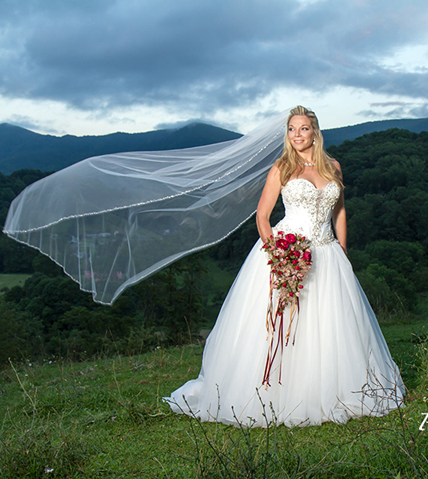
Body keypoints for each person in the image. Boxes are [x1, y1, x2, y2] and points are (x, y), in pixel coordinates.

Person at [164, 106, 405, 427]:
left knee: (332, 324)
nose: (297, 135)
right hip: (288, 251)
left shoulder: (334, 167)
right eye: (292, 129)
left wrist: (343, 253)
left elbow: (340, 213)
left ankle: (335, 387)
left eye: (303, 129)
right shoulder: (282, 168)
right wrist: (277, 256)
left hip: (328, 253)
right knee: (285, 326)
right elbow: (262, 217)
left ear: (315, 132)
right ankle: (277, 391)